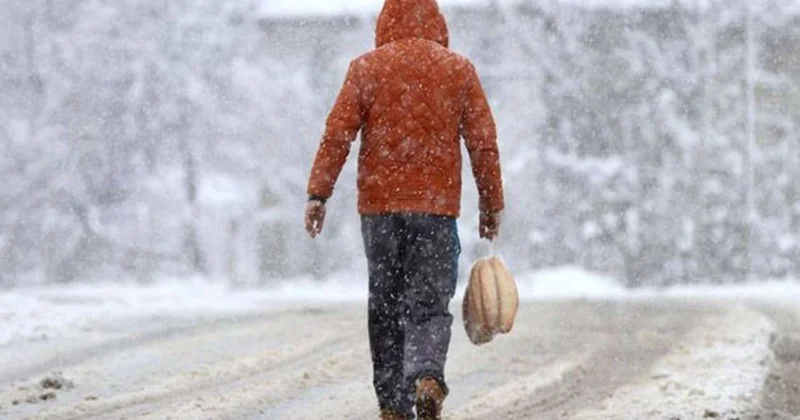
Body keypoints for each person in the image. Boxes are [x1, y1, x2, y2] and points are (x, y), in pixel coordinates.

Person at [304, 0, 504, 418]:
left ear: (385, 23)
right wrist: (491, 204)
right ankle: (427, 376)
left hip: (380, 211)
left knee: (385, 304)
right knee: (429, 303)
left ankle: (393, 406)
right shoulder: (458, 70)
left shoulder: (365, 68)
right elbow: (483, 142)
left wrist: (318, 194)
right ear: (437, 22)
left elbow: (337, 135)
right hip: (435, 209)